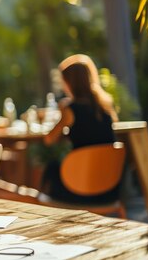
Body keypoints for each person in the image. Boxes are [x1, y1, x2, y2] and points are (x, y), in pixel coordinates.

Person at [42, 55, 119, 203]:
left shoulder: (70, 109)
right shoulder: (104, 106)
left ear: (69, 82)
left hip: (80, 188)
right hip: (109, 188)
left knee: (51, 168)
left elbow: (49, 139)